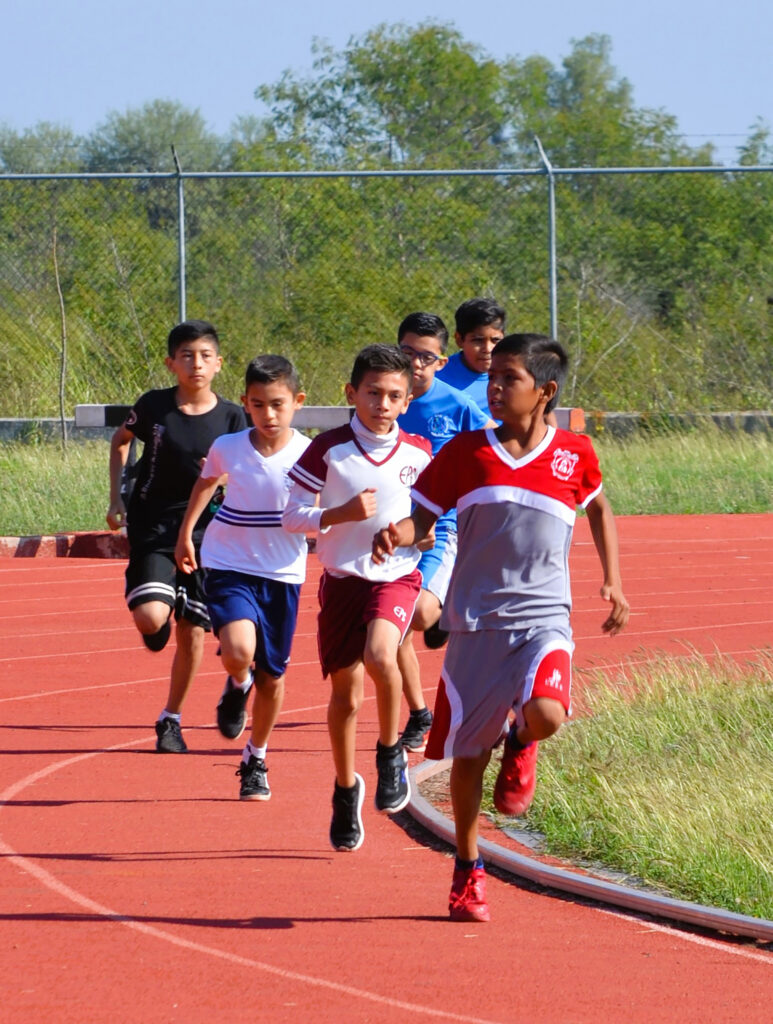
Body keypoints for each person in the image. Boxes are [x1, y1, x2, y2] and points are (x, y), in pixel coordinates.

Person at [373, 333, 629, 922]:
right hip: (475, 623)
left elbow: (599, 507)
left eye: (508, 378)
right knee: (467, 757)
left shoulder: (575, 453)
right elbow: (422, 520)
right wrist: (398, 534)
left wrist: (613, 580)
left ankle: (521, 741)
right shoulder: (466, 452)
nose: (494, 386)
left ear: (546, 392)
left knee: (548, 713)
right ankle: (467, 865)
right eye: (491, 377)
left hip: (545, 617)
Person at [282, 344, 432, 852]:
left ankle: (391, 753)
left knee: (381, 653)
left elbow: (430, 525)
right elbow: (290, 516)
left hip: (395, 576)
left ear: (407, 401)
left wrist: (415, 536)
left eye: (394, 395)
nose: (383, 404)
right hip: (342, 579)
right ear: (352, 393)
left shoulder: (418, 453)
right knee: (345, 696)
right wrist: (338, 514)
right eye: (373, 393)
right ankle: (346, 788)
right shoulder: (328, 449)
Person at [106, 320, 245, 754]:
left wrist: (224, 473)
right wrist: (116, 496)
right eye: (187, 356)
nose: (196, 364)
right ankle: (158, 607)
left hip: (210, 532)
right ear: (171, 363)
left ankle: (171, 719)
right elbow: (121, 441)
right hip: (155, 526)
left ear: (219, 364)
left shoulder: (232, 418)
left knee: (193, 632)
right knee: (151, 618)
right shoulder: (153, 407)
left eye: (205, 356)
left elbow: (250, 469)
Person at [174, 355, 309, 800]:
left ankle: (256, 756)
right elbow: (207, 484)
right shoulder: (228, 446)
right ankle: (237, 681)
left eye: (277, 404)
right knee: (237, 650)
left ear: (296, 402)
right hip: (229, 560)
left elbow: (324, 509)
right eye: (257, 404)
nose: (268, 415)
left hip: (283, 573)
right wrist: (187, 534)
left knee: (273, 677)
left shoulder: (310, 454)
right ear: (245, 404)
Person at [394, 311, 493, 753]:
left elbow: (494, 442)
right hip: (391, 529)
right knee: (390, 624)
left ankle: (445, 606)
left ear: (440, 361)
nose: (416, 364)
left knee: (417, 615)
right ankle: (418, 714)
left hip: (441, 525)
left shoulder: (456, 404)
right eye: (408, 353)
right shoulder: (383, 398)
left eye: (426, 357)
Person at [436, 297, 506, 416]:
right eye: (478, 340)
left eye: (495, 340)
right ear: (459, 340)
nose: (488, 349)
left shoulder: (515, 376)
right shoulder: (437, 378)